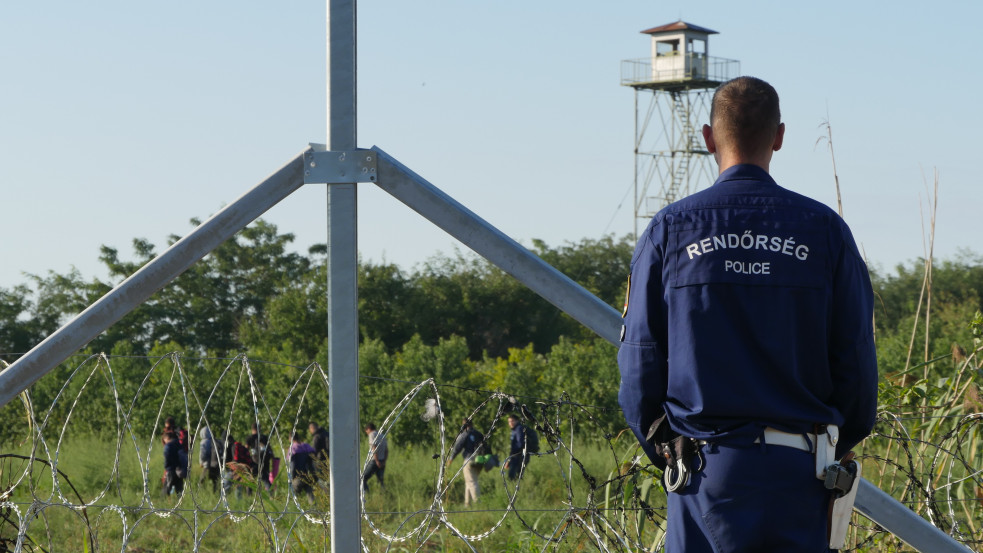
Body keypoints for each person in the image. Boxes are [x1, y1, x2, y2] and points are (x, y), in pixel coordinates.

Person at [617, 76, 878, 552]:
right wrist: (827, 450)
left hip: (703, 473)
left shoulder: (670, 230)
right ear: (779, 136)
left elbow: (640, 364)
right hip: (802, 474)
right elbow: (857, 365)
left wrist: (667, 447)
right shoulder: (825, 232)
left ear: (708, 138)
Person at [446, 418, 485, 506]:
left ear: (464, 425)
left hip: (469, 460)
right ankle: (467, 504)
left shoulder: (465, 434)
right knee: (469, 481)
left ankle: (478, 504)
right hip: (480, 460)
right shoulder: (478, 434)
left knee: (472, 482)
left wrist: (451, 459)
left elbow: (457, 448)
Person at [288, 432, 317, 502]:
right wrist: (314, 477)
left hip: (297, 477)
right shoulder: (306, 446)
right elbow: (312, 461)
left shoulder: (293, 448)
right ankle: (315, 510)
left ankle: (296, 511)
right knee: (310, 496)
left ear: (290, 438)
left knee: (295, 498)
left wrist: (291, 478)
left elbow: (292, 465)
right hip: (307, 476)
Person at [362, 423, 388, 492]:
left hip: (374, 461)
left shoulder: (372, 434)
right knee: (380, 481)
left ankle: (366, 494)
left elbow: (374, 447)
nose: (367, 433)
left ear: (369, 429)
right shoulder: (382, 435)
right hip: (382, 460)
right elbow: (386, 450)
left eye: (366, 431)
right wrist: (384, 461)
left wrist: (376, 461)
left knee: (362, 478)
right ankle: (384, 494)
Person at [246, 423, 272, 492]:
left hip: (254, 462)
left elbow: (246, 450)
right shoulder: (264, 437)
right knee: (265, 479)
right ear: (260, 429)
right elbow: (269, 448)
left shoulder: (250, 438)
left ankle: (248, 496)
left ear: (252, 429)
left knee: (250, 479)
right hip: (264, 461)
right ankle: (271, 496)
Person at [504, 414, 530, 481]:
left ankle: (515, 488)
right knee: (517, 475)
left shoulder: (518, 429)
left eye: (512, 421)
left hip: (519, 456)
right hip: (517, 455)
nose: (511, 423)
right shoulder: (514, 430)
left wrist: (512, 456)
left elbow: (519, 444)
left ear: (517, 421)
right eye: (509, 422)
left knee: (513, 475)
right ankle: (516, 487)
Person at [162, 430, 186, 496]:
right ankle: (180, 503)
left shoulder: (168, 446)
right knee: (179, 490)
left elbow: (167, 457)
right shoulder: (179, 444)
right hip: (179, 470)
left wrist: (166, 467)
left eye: (164, 440)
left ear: (167, 438)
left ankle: (162, 504)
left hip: (171, 470)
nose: (164, 442)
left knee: (166, 489)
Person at [198, 426, 221, 492]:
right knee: (215, 479)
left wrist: (202, 462)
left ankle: (200, 491)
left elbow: (203, 453)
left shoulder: (204, 442)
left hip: (206, 463)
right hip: (214, 462)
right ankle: (215, 491)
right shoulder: (213, 440)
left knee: (202, 478)